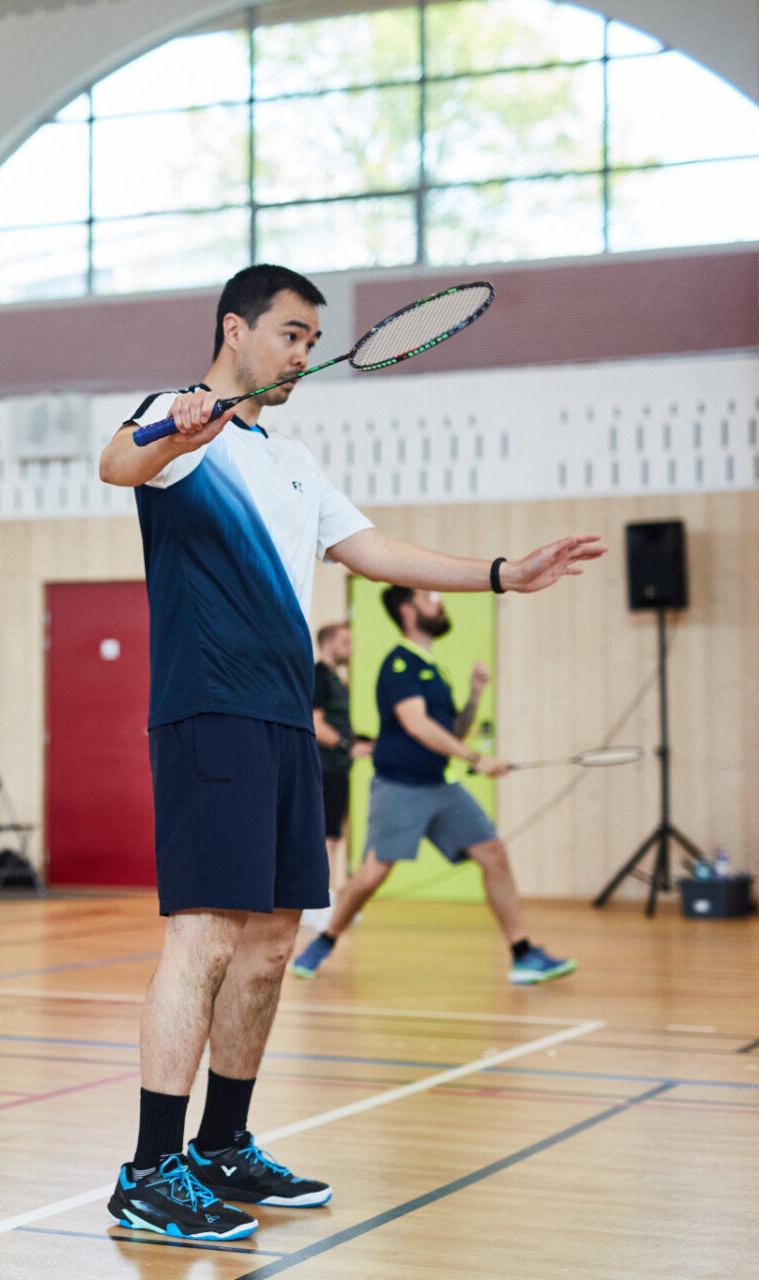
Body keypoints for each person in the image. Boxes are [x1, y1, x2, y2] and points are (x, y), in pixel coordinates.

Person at [95, 263, 604, 1241]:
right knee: (204, 937)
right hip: (211, 711)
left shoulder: (291, 460)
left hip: (286, 720)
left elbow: (374, 552)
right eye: (291, 334)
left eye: (312, 342)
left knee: (271, 943)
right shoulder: (180, 422)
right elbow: (117, 463)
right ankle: (149, 1171)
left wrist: (505, 573)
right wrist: (174, 428)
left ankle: (223, 1145)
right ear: (235, 329)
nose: (302, 354)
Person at [290, 587, 578, 986]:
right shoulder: (399, 664)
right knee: (373, 874)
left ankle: (523, 953)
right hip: (400, 785)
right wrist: (476, 759)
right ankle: (324, 941)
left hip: (440, 784)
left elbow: (451, 730)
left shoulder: (434, 669)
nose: (440, 603)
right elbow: (416, 724)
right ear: (408, 611)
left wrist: (474, 696)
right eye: (430, 598)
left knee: (493, 853)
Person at [310, 622, 370, 905]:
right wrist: (347, 746)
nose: (351, 649)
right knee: (324, 836)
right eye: (345, 642)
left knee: (334, 835)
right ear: (326, 644)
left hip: (339, 769)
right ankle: (319, 902)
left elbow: (338, 725)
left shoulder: (338, 680)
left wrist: (364, 741)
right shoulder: (318, 676)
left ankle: (328, 897)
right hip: (323, 768)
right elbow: (315, 724)